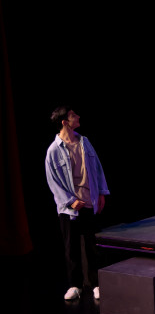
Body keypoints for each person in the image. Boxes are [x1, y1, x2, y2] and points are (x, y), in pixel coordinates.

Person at [45, 106, 109, 301]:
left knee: (92, 246)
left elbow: (97, 168)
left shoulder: (84, 142)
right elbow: (53, 181)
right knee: (71, 248)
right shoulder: (53, 150)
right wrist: (70, 201)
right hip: (69, 208)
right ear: (65, 122)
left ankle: (96, 284)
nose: (78, 116)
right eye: (73, 115)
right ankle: (75, 285)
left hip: (89, 201)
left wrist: (102, 192)